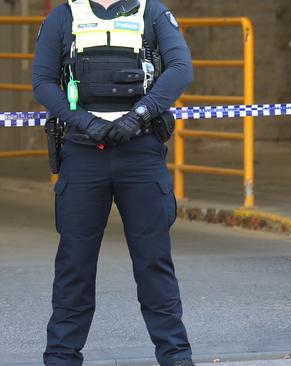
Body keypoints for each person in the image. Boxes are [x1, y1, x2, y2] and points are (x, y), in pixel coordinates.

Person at [32, 0, 194, 365]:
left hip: (140, 152)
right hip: (82, 153)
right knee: (74, 264)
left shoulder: (152, 13)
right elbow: (42, 82)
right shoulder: (64, 17)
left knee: (154, 263)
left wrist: (139, 116)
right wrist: (85, 122)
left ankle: (176, 358)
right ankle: (61, 358)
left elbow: (181, 70)